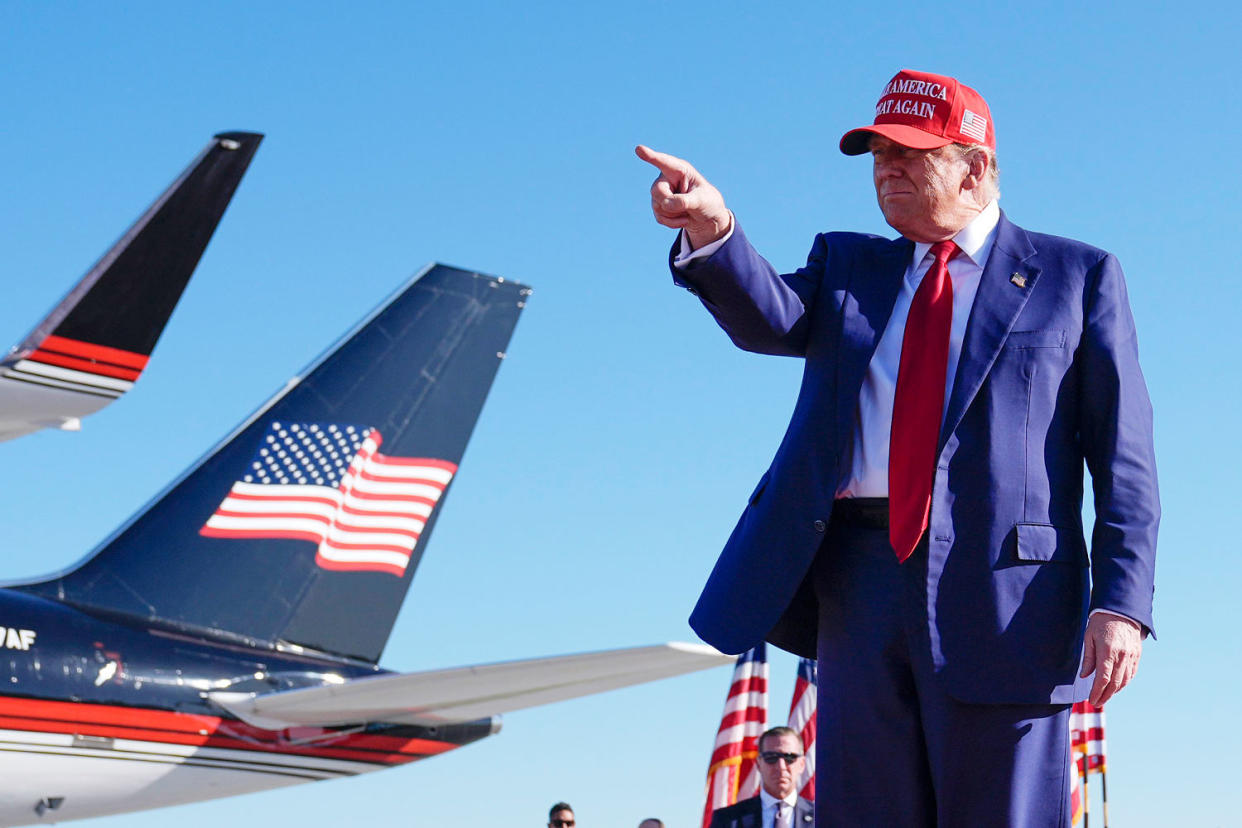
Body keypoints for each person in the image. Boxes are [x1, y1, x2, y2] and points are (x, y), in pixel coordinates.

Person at [637, 68, 1158, 826]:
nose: (888, 169)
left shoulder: (1077, 277)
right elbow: (769, 320)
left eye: (911, 153)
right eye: (878, 153)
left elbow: (1125, 460)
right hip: (857, 579)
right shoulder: (849, 267)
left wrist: (1122, 602)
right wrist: (714, 232)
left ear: (975, 167)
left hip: (1009, 595)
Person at [708, 727, 814, 828]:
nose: (781, 767)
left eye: (790, 757)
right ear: (758, 764)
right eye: (771, 758)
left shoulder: (821, 817)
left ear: (802, 764)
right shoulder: (728, 819)